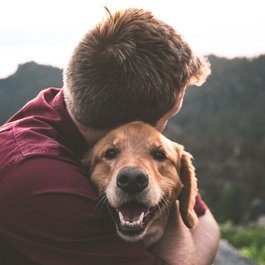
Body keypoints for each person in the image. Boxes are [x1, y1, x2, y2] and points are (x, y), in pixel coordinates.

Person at [0, 8, 220, 265]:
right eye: (170, 115)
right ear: (135, 124)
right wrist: (170, 212)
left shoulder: (70, 108)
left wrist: (168, 200)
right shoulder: (40, 177)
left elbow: (206, 223)